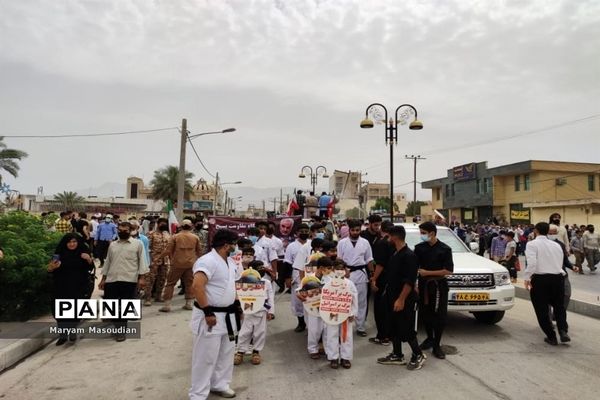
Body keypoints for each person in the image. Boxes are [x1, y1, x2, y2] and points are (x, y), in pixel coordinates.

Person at [189, 229, 240, 400]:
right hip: (210, 315)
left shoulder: (231, 262)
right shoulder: (207, 261)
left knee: (226, 353)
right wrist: (207, 311)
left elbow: (233, 287)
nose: (235, 247)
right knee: (206, 357)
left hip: (229, 315)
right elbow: (197, 286)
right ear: (226, 245)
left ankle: (220, 384)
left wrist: (238, 307)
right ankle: (198, 394)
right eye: (233, 244)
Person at [377, 226, 426, 370]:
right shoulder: (395, 253)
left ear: (395, 237)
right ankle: (397, 354)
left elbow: (409, 281)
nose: (387, 239)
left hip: (403, 298)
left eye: (389, 236)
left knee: (406, 327)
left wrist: (401, 299)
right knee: (393, 325)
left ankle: (418, 354)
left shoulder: (409, 256)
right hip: (392, 296)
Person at [98, 222, 149, 342]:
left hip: (129, 279)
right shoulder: (113, 245)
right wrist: (103, 279)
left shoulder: (138, 244)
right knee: (112, 306)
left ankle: (121, 331)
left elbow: (142, 262)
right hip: (112, 279)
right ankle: (117, 327)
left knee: (125, 307)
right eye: (120, 230)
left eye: (125, 230)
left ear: (130, 231)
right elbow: (108, 262)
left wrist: (141, 278)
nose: (122, 232)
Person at [524, 222, 570, 345]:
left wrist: (527, 277)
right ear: (548, 231)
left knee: (542, 310)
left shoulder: (532, 244)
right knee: (559, 307)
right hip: (558, 278)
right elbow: (560, 263)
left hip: (540, 280)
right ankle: (563, 331)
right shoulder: (556, 245)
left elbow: (532, 263)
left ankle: (551, 336)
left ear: (536, 230)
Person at [414, 221, 454, 359]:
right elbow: (415, 268)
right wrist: (415, 283)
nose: (422, 235)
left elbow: (448, 271)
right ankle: (429, 338)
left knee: (439, 316)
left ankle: (437, 344)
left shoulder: (444, 249)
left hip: (438, 287)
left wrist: (428, 273)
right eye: (421, 233)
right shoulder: (419, 248)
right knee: (426, 314)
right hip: (423, 286)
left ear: (432, 233)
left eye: (423, 233)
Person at [47, 233, 94, 345]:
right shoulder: (59, 254)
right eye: (69, 242)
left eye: (74, 242)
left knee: (75, 310)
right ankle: (63, 335)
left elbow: (90, 268)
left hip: (78, 287)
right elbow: (49, 270)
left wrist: (89, 260)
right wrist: (52, 267)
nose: (72, 244)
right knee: (59, 311)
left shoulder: (83, 253)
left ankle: (72, 331)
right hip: (61, 286)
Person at [336, 219, 374, 337]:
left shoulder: (365, 243)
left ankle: (360, 327)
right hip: (347, 274)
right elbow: (339, 259)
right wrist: (343, 271)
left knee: (361, 302)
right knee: (346, 300)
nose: (355, 232)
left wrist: (372, 275)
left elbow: (369, 260)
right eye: (353, 230)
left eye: (357, 230)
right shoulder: (342, 243)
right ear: (349, 230)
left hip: (361, 274)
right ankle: (345, 325)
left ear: (360, 229)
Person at [234, 260, 275, 366]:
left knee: (260, 333)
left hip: (261, 311)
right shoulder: (243, 282)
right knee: (244, 332)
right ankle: (240, 352)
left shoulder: (266, 282)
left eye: (262, 268)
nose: (261, 270)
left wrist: (271, 312)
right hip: (247, 311)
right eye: (258, 268)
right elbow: (239, 296)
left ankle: (256, 352)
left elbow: (270, 298)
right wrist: (239, 308)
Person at [160, 219, 202, 312]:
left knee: (170, 283)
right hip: (190, 264)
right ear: (191, 226)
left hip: (176, 264)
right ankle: (189, 304)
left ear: (181, 226)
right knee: (189, 283)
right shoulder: (195, 237)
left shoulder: (175, 237)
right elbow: (199, 252)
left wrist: (158, 258)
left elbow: (168, 251)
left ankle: (167, 305)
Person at [324, 259, 358, 369]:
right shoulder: (328, 283)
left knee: (346, 336)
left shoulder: (350, 284)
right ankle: (333, 358)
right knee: (332, 335)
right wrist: (325, 313)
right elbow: (324, 298)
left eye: (342, 269)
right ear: (333, 270)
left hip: (346, 314)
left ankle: (345, 358)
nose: (339, 271)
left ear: (345, 270)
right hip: (331, 314)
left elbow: (354, 299)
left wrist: (353, 312)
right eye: (337, 269)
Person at [369, 220, 394, 346]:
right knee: (390, 308)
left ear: (381, 229)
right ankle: (390, 335)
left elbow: (380, 264)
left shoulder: (381, 243)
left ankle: (382, 337)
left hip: (383, 279)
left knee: (380, 309)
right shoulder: (395, 242)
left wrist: (373, 279)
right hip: (393, 279)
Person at [286, 223, 311, 329]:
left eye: (306, 231)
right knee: (298, 301)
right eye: (302, 231)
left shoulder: (312, 244)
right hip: (296, 276)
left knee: (311, 300)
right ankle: (301, 322)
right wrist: (287, 278)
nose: (304, 233)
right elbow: (287, 263)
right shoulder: (291, 246)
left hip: (311, 276)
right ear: (297, 233)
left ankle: (312, 324)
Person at [144, 217, 171, 306]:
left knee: (162, 279)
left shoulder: (167, 234)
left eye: (165, 223)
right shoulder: (151, 234)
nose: (164, 225)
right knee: (150, 280)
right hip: (154, 260)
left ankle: (158, 296)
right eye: (162, 223)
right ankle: (147, 298)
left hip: (165, 261)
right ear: (158, 224)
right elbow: (147, 248)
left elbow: (169, 248)